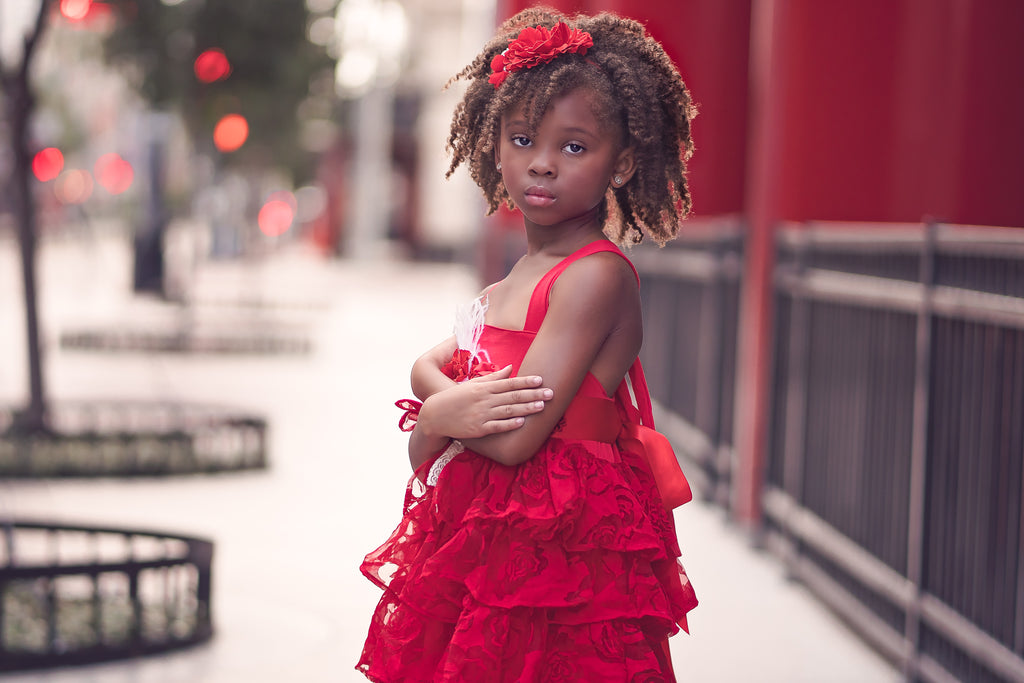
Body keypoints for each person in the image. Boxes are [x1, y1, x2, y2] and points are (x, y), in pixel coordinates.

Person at [358, 7, 698, 681]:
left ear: (622, 163)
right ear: (495, 146)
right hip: (491, 539)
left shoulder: (594, 276)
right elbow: (432, 361)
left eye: (574, 147)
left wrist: (439, 412)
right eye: (521, 139)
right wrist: (445, 404)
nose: (541, 164)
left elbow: (516, 437)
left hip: (558, 554)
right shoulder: (515, 278)